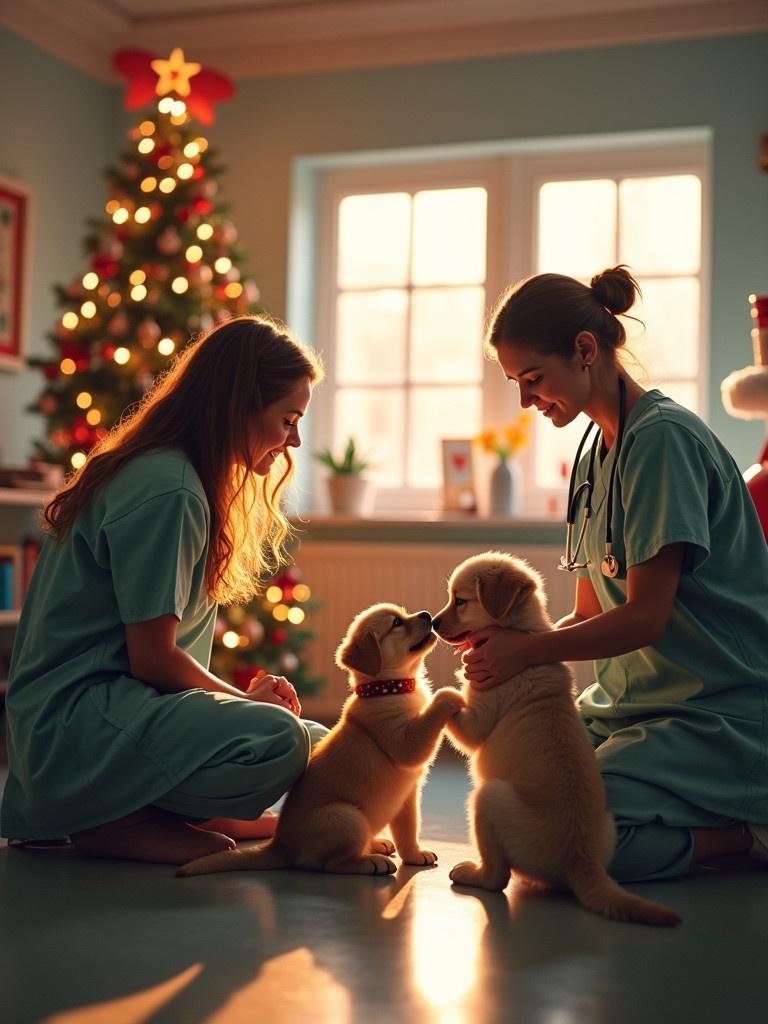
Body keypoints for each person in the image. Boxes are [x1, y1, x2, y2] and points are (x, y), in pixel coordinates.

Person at [461, 266, 768, 883]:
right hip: (629, 708)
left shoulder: (662, 442)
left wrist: (529, 652)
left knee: (580, 847)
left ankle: (745, 833)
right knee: (536, 819)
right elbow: (591, 617)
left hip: (718, 711)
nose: (524, 400)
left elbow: (645, 619)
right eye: (516, 384)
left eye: (532, 379)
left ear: (584, 350)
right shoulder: (592, 451)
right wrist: (506, 648)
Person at [1, 315, 328, 865]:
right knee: (283, 738)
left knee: (324, 741)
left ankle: (159, 807)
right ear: (240, 404)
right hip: (75, 729)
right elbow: (152, 659)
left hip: (113, 717)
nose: (294, 439)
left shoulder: (178, 476)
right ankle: (111, 819)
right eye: (288, 419)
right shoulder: (170, 489)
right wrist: (241, 703)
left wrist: (237, 706)